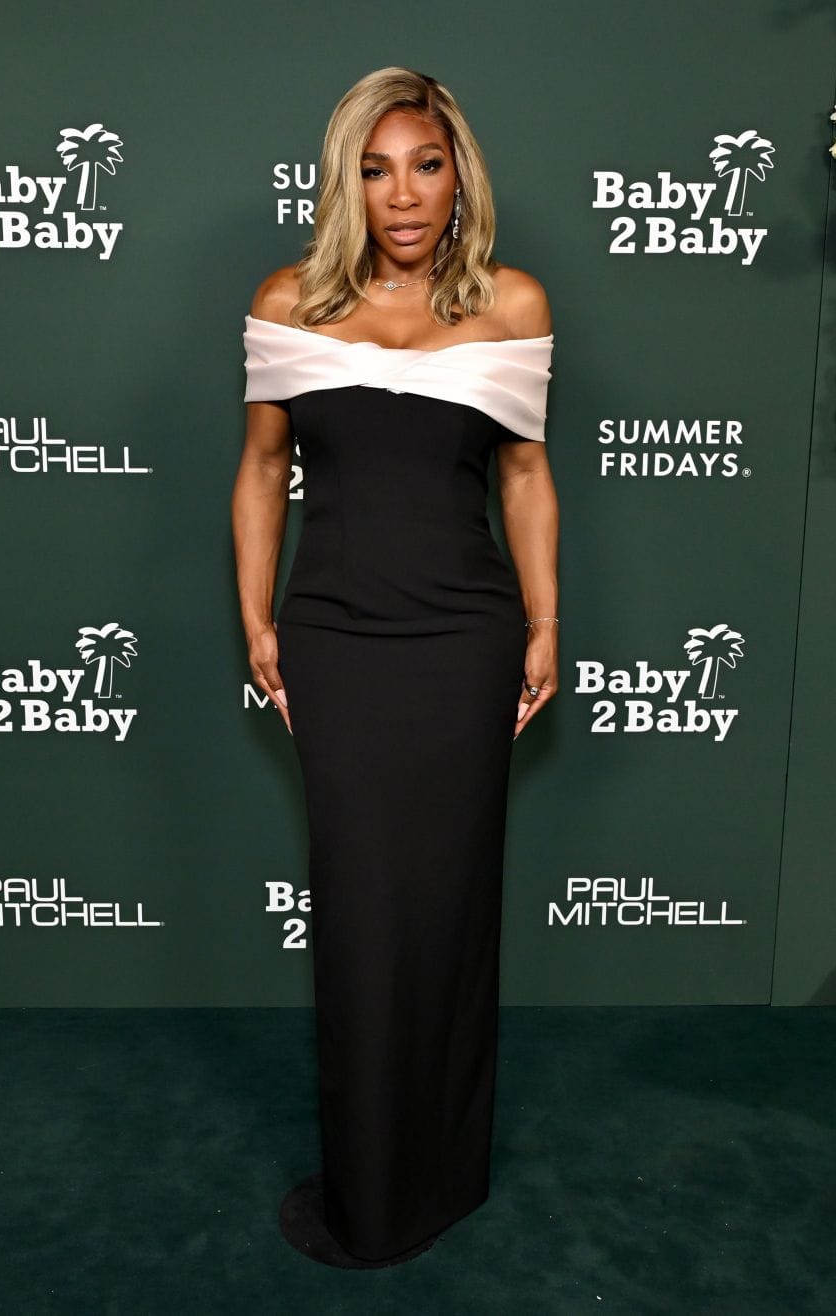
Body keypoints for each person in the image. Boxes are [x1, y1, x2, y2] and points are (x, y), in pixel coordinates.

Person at [230, 66, 560, 1269]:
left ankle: (444, 1170)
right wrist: (257, 620)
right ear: (344, 182)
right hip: (337, 639)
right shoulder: (287, 304)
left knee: (454, 903)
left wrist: (545, 622)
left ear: (458, 172)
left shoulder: (514, 305)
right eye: (376, 168)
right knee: (364, 911)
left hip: (465, 640)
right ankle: (373, 1184)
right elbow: (262, 470)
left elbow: (523, 475)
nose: (403, 193)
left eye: (425, 164)